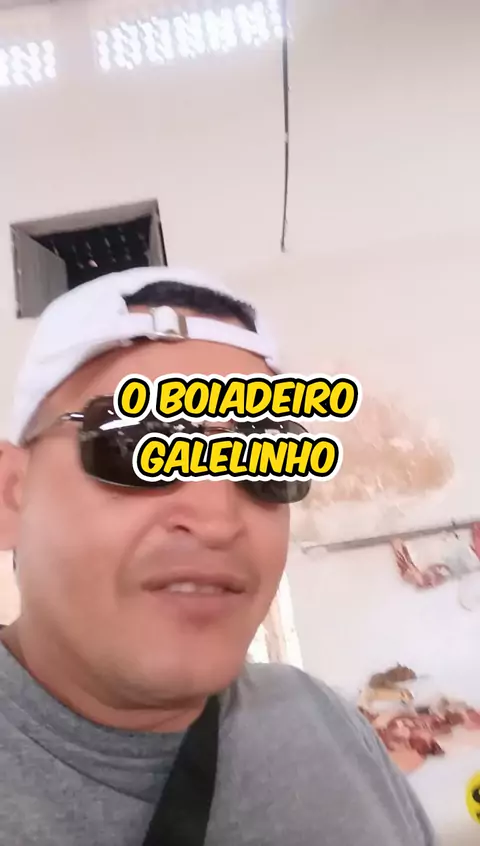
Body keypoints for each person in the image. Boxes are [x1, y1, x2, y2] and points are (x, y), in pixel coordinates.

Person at [0, 266, 435, 845]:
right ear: (12, 494)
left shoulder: (322, 721)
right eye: (138, 442)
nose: (218, 519)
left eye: (266, 457)